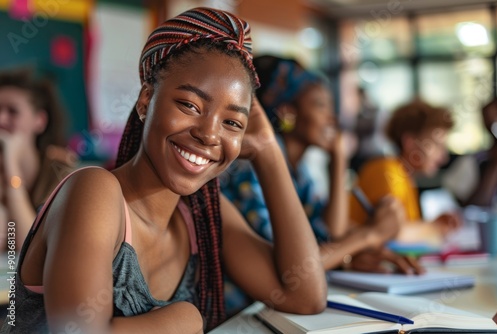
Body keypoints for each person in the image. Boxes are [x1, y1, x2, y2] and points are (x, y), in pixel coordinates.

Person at [0, 8, 327, 333]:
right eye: (190, 105)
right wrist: (183, 320)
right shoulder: (94, 191)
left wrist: (268, 153)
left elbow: (304, 295)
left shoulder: (201, 214)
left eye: (232, 122)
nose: (210, 134)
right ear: (146, 100)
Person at [221, 55, 422, 314]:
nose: (332, 119)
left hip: (268, 311)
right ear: (288, 113)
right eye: (320, 105)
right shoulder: (251, 169)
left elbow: (330, 234)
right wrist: (368, 235)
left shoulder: (299, 171)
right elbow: (291, 270)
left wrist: (338, 161)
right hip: (241, 316)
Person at [349, 99, 461, 245]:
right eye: (436, 146)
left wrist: (434, 224)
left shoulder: (405, 177)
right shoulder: (387, 170)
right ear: (410, 142)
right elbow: (390, 233)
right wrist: (434, 228)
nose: (443, 157)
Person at [0, 69, 78, 250]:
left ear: (39, 120)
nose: (1, 119)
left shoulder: (61, 172)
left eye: (12, 111)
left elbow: (28, 248)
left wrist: (12, 164)